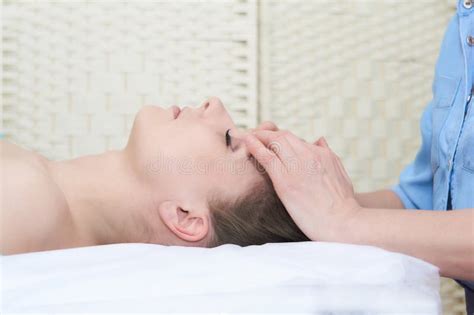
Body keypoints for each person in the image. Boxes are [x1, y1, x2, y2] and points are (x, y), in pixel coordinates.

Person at [242, 1, 474, 312]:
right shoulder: (462, 27)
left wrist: (346, 220)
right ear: (185, 217)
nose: (213, 104)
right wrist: (292, 203)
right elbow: (425, 201)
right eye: (229, 143)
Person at [0, 97, 309, 255]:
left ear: (185, 217)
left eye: (229, 141)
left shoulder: (27, 202)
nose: (214, 104)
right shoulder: (35, 188)